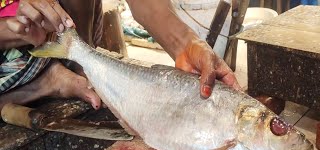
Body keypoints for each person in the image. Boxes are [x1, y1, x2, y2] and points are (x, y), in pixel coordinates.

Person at [0, 0, 240, 111]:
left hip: (61, 29)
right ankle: (44, 80)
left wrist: (186, 44)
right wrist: (14, 29)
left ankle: (77, 60)